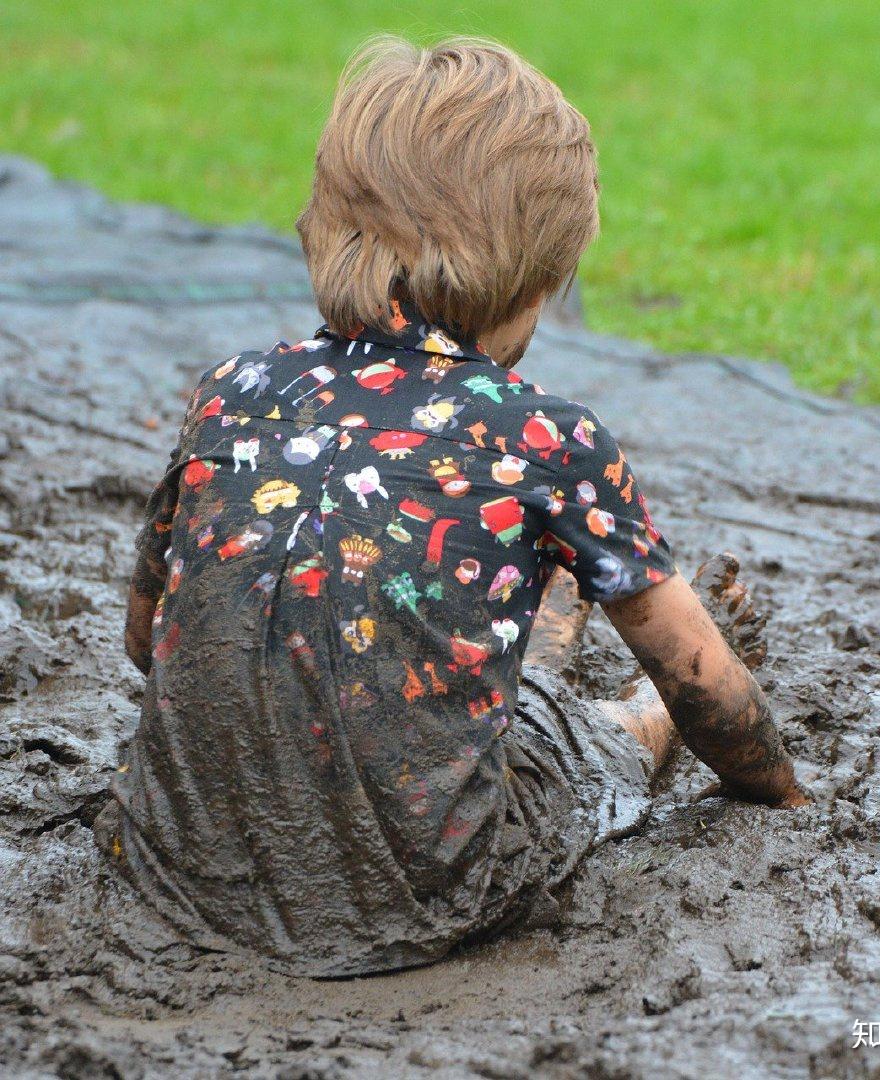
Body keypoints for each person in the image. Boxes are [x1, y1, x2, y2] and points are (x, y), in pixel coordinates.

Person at [97, 35, 809, 978]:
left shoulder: (231, 391)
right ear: (535, 280)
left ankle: (546, 631)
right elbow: (704, 687)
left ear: (327, 227)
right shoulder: (546, 439)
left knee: (398, 647)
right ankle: (592, 646)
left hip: (175, 863)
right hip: (421, 891)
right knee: (592, 746)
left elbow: (147, 640)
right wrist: (784, 791)